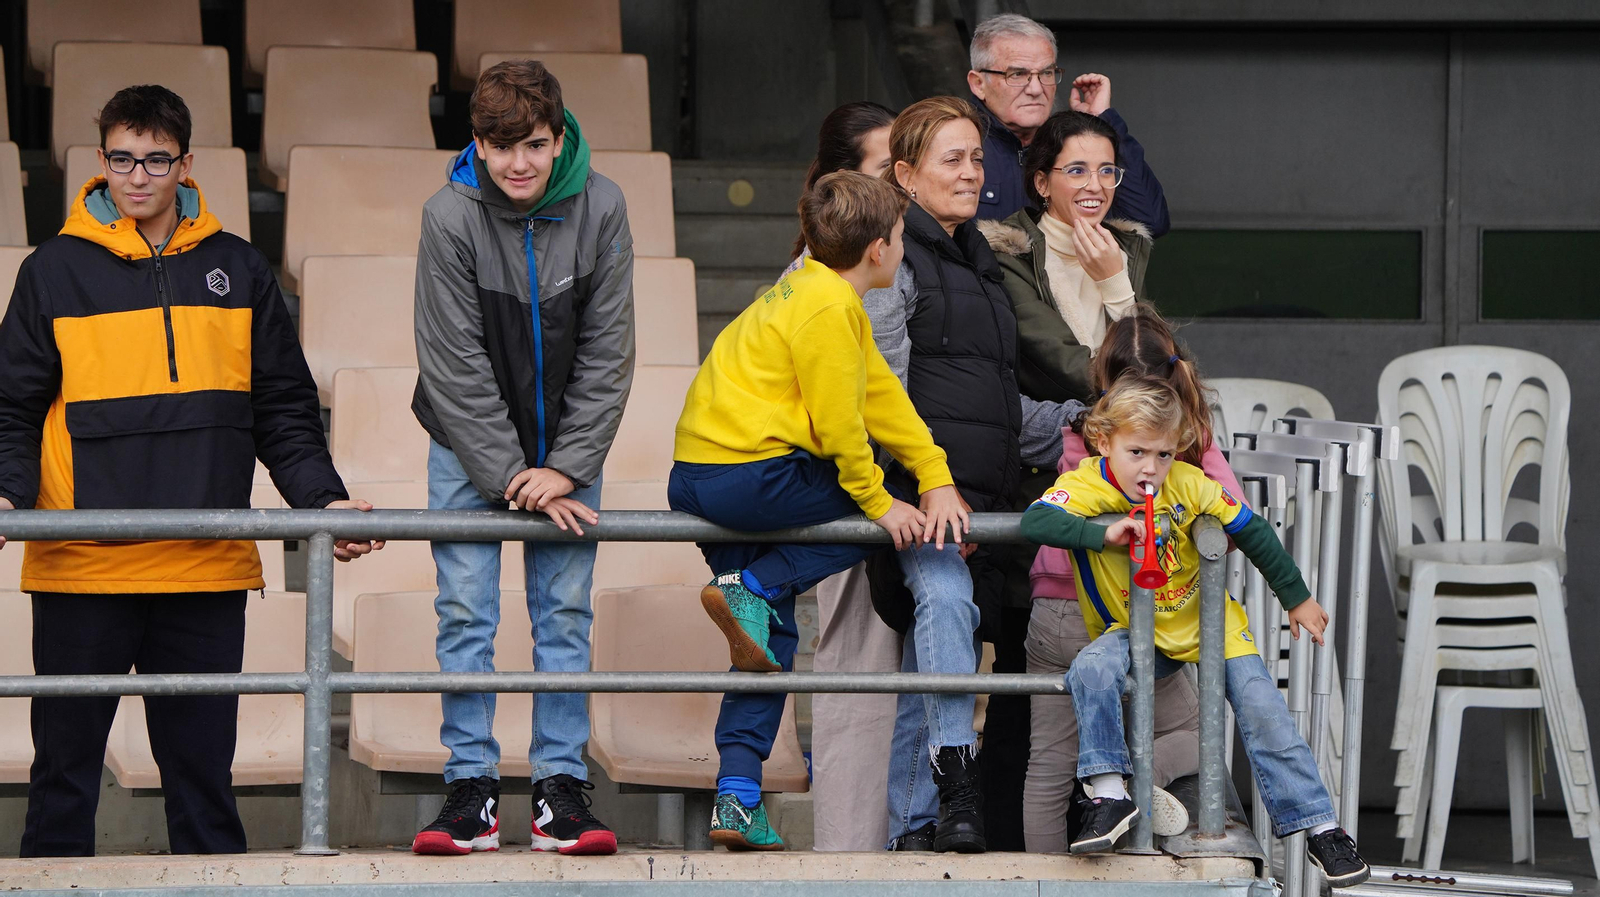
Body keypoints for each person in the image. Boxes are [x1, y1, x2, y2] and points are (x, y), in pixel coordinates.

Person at [0, 85, 381, 857]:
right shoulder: (51, 271)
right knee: (62, 781)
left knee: (203, 785)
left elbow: (283, 407)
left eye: (155, 160)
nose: (137, 176)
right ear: (100, 159)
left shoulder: (239, 267)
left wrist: (324, 500)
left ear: (186, 163)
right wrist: (6, 493)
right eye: (122, 159)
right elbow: (13, 405)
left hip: (205, 566)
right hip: (81, 568)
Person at [669, 170, 972, 851]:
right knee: (881, 521)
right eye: (902, 238)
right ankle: (757, 582)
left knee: (766, 642)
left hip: (702, 474)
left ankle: (739, 794)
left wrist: (934, 470)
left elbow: (883, 399)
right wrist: (884, 504)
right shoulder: (829, 308)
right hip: (747, 474)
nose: (904, 249)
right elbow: (843, 430)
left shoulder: (815, 290)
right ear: (878, 249)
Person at [1019, 375, 1371, 887]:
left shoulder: (1187, 482)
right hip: (1137, 630)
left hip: (1211, 626)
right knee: (1090, 669)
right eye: (1137, 452)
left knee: (1264, 708)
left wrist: (1296, 597)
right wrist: (1101, 533)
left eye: (1163, 454)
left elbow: (1252, 530)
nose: (1151, 468)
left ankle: (1322, 828)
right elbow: (1035, 522)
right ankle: (1109, 794)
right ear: (1103, 441)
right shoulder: (1086, 483)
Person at [410, 60, 634, 857]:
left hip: (568, 450)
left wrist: (565, 466)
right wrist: (513, 474)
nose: (518, 163)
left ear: (559, 136)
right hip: (465, 446)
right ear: (476, 143)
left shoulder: (603, 204)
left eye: (534, 145)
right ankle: (470, 788)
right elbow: (453, 362)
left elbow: (609, 348)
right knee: (466, 612)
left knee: (565, 614)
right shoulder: (448, 215)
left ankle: (557, 790)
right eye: (500, 146)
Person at [865, 96, 1081, 854]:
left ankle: (912, 828)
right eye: (951, 159)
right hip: (920, 500)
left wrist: (1080, 424)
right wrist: (927, 484)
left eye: (977, 158)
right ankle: (957, 779)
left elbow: (996, 407)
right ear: (905, 175)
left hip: (978, 503)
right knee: (947, 605)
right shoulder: (894, 257)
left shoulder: (981, 262)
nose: (971, 172)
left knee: (933, 654)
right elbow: (882, 391)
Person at [1021, 307, 1242, 852]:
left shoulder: (1085, 432)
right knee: (1198, 732)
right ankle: (1129, 784)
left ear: (1100, 375)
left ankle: (1042, 877)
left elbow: (1043, 515)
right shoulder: (1185, 444)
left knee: (1049, 764)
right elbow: (1232, 521)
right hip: (1127, 613)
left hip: (1052, 610)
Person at [785, 101, 911, 854]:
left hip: (890, 500)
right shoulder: (837, 279)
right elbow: (863, 409)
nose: (903, 180)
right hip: (857, 502)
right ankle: (847, 864)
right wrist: (892, 492)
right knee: (858, 682)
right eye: (887, 168)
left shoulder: (892, 254)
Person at [965, 13, 1169, 234]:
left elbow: (1150, 223)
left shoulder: (1071, 142)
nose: (1036, 89)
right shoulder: (953, 145)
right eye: (1017, 75)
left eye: (1046, 73)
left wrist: (1101, 122)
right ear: (978, 84)